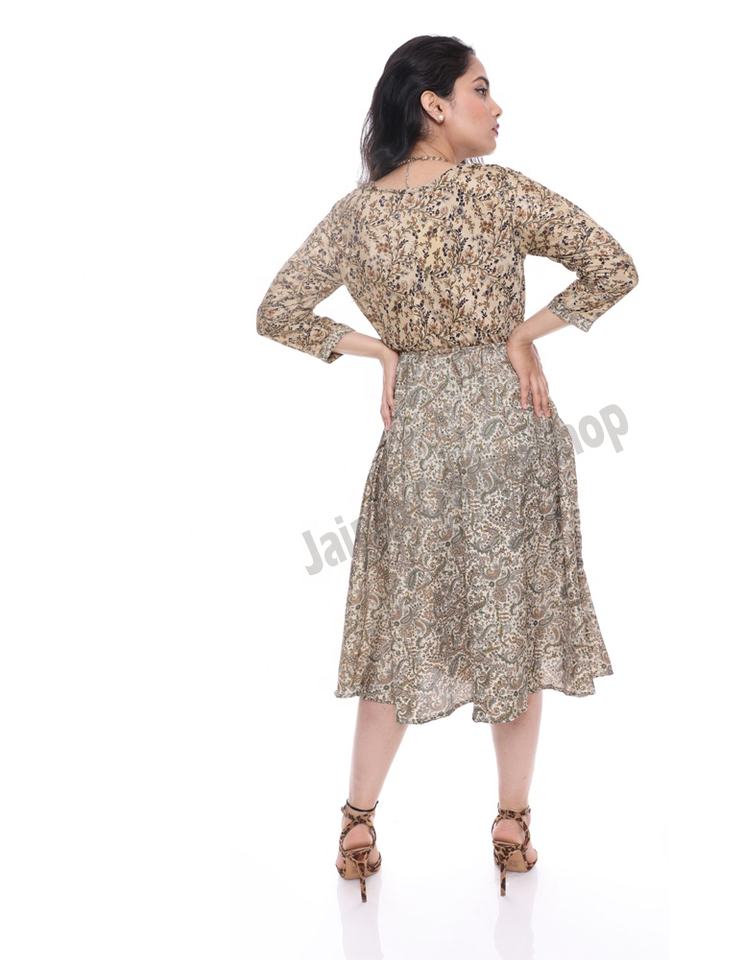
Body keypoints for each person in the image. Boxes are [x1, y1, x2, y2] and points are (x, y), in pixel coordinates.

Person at [255, 35, 639, 902]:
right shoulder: (497, 192)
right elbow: (614, 266)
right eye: (480, 89)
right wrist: (523, 333)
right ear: (433, 103)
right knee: (515, 627)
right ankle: (512, 823)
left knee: (401, 630)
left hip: (421, 439)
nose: (496, 108)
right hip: (513, 426)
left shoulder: (357, 217)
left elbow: (276, 310)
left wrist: (380, 350)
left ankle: (357, 822)